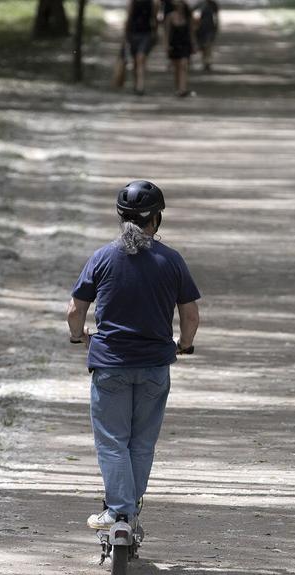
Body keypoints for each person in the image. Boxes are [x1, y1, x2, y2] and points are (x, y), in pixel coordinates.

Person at [68, 180, 201, 529]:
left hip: (110, 365)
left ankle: (119, 511)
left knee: (112, 442)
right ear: (155, 220)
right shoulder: (171, 260)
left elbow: (74, 310)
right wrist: (184, 345)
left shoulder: (101, 258)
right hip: (155, 366)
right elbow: (190, 315)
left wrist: (77, 336)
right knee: (142, 442)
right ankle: (130, 509)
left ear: (121, 217)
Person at [124, 0, 160, 95]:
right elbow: (128, 17)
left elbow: (155, 19)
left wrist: (155, 34)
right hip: (133, 33)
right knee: (135, 61)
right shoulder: (132, 2)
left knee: (141, 58)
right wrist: (126, 35)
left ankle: (141, 86)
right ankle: (136, 84)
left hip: (146, 34)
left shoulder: (153, 3)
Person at [164, 0, 195, 97]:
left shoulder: (188, 17)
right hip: (174, 44)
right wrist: (166, 46)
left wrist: (194, 44)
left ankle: (183, 88)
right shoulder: (170, 17)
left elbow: (191, 31)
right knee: (177, 67)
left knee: (183, 65)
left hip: (185, 44)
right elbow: (167, 33)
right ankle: (178, 87)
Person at [194, 0, 219, 71]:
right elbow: (192, 11)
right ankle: (205, 61)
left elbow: (216, 16)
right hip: (201, 28)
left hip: (210, 27)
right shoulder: (201, 4)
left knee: (208, 45)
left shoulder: (213, 5)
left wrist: (217, 26)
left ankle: (207, 61)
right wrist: (195, 22)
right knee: (203, 45)